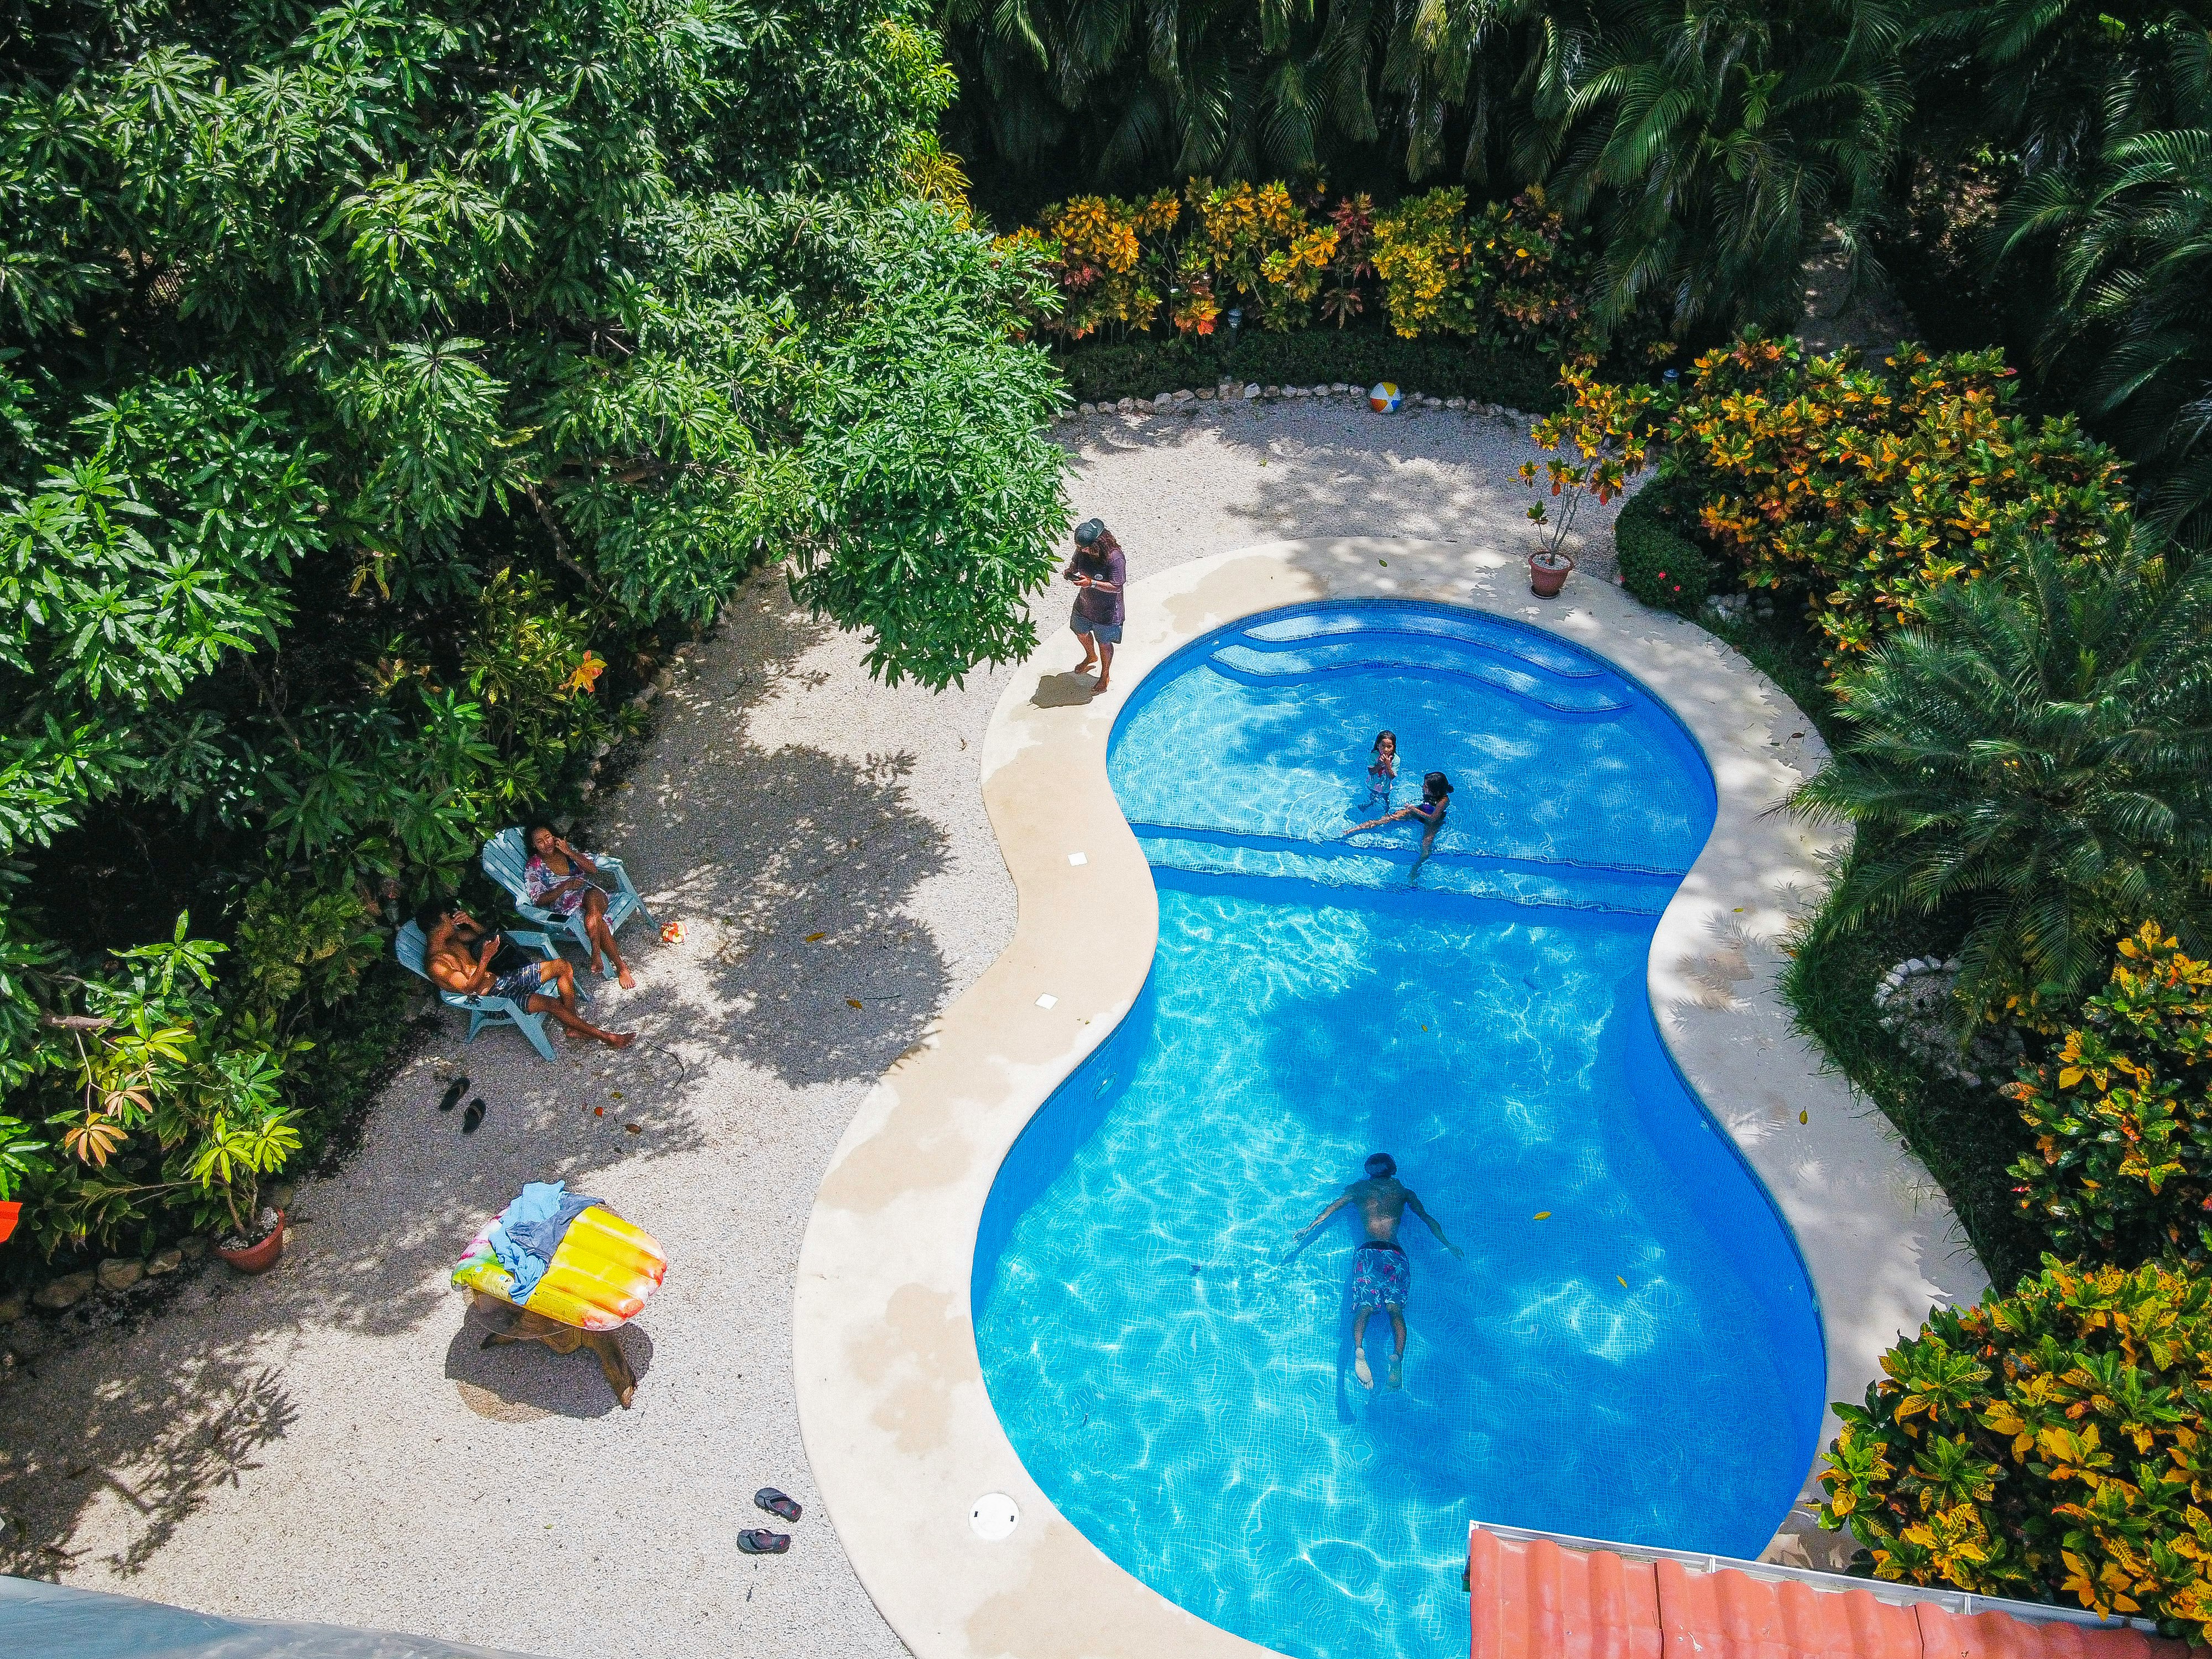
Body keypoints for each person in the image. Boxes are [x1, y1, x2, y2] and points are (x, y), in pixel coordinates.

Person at [1291, 1153, 1462, 1390]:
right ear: (1393, 1171)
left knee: (1364, 1307)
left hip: (1367, 1253)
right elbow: (1427, 1218)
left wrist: (1309, 1228)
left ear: (1369, 1172)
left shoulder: (1359, 1189)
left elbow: (1331, 1209)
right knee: (1395, 1308)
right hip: (1395, 1253)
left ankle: (1359, 1350)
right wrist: (1447, 1243)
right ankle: (1397, 1357)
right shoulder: (1404, 1193)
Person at [418, 899, 634, 1050]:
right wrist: (484, 958)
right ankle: (607, 1037)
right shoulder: (437, 963)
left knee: (562, 966)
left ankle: (573, 1025)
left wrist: (470, 922)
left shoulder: (451, 941)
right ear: (438, 925)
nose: (451, 920)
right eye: (447, 918)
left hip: (504, 980)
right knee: (551, 1003)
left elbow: (485, 935)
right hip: (494, 998)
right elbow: (469, 988)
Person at [524, 825, 634, 988]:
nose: (546, 843)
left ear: (554, 836)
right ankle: (621, 967)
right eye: (540, 841)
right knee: (595, 917)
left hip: (591, 893)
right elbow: (539, 900)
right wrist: (566, 886)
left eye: (548, 837)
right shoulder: (534, 867)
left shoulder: (567, 850)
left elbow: (593, 869)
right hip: (568, 908)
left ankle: (596, 952)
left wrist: (569, 851)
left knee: (592, 901)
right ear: (534, 845)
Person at [1347, 770, 1453, 881]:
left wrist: (1414, 809)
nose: (1422, 787)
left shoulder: (1443, 801)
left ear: (1435, 791)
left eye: (1425, 786)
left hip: (1432, 822)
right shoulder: (1432, 793)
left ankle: (1414, 872)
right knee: (1389, 819)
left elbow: (1433, 818)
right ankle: (1355, 829)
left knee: (1426, 848)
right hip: (1420, 811)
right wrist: (1414, 810)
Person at [1063, 518, 1126, 696]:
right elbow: (1075, 564)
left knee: (1104, 643)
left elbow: (1117, 586)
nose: (1081, 550)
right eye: (1079, 547)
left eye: (1084, 548)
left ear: (1098, 544)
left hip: (1107, 613)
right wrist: (1070, 572)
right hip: (1084, 606)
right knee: (1080, 632)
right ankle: (1091, 656)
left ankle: (1105, 675)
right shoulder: (1082, 550)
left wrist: (1091, 583)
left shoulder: (1115, 558)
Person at [1363, 731, 1399, 808]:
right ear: (1378, 745)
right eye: (1383, 745)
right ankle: (1370, 804)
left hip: (1386, 787)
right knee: (1373, 796)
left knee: (1386, 799)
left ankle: (1387, 810)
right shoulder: (1374, 755)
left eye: (1389, 746)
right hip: (1372, 784)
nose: (1385, 750)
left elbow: (1391, 777)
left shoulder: (1396, 760)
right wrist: (1380, 765)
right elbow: (1371, 772)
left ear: (1394, 747)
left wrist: (1387, 765)